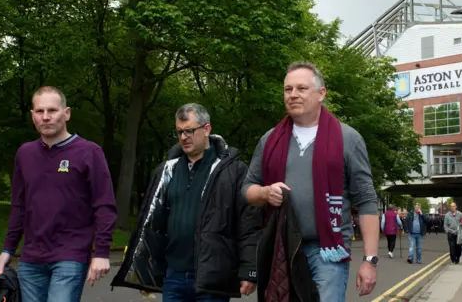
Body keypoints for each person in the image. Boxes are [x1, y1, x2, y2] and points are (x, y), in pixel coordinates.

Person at [242, 61, 380, 301]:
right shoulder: (269, 140)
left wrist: (369, 260)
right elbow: (246, 190)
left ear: (321, 94)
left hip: (328, 252)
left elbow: (367, 201)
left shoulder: (348, 139)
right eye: (288, 89)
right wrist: (265, 193)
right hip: (280, 249)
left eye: (302, 88)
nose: (293, 95)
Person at [111, 103, 262, 301]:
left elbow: (249, 223)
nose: (183, 137)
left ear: (206, 129)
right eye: (179, 132)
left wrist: (249, 269)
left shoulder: (233, 172)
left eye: (189, 131)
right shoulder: (166, 171)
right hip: (173, 276)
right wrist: (146, 271)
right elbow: (153, 225)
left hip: (212, 277)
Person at [0, 86, 118, 302]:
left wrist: (101, 252)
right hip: (31, 258)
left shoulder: (89, 152)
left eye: (52, 110)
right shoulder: (25, 153)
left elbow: (104, 205)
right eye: (40, 111)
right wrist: (7, 250)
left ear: (66, 113)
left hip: (70, 255)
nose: (46, 117)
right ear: (33, 116)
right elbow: (19, 206)